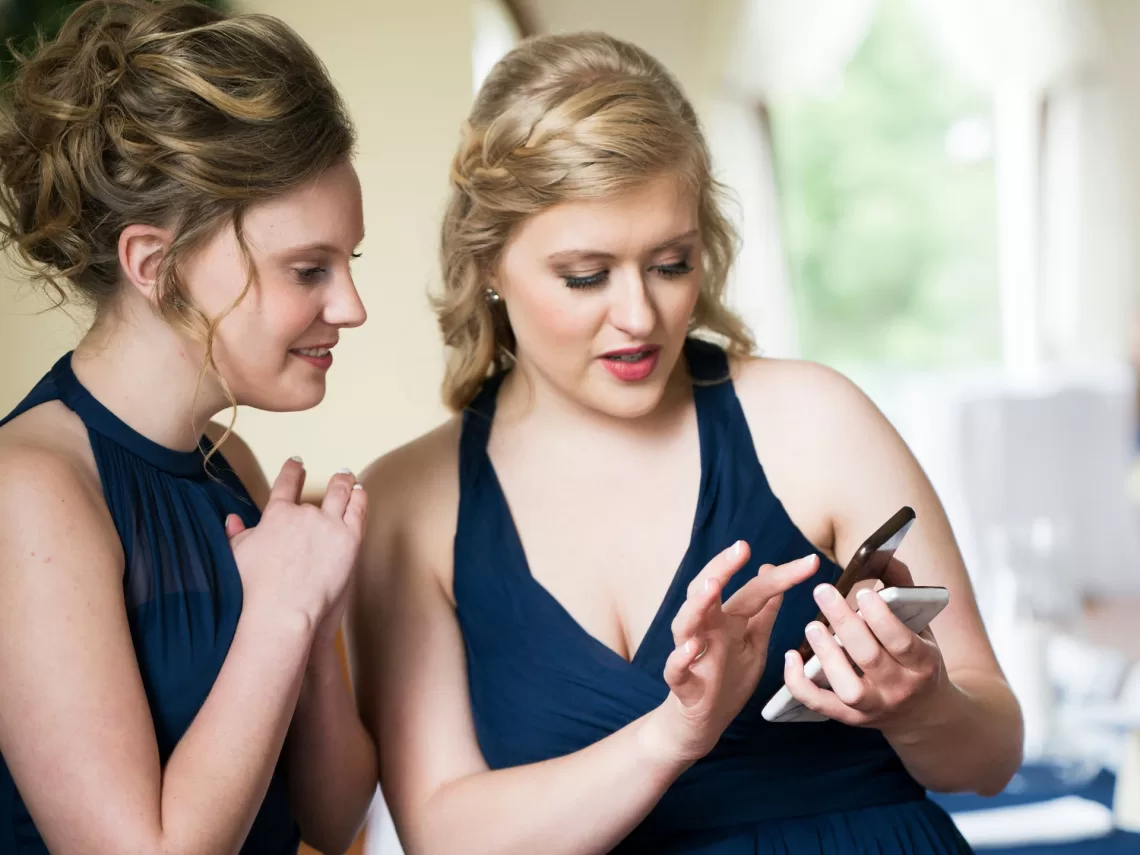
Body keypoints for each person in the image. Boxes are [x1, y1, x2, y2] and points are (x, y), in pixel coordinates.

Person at [349, 31, 1024, 855]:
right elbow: (447, 834)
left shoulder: (816, 418)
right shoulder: (411, 504)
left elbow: (992, 753)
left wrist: (923, 704)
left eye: (671, 263)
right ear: (487, 260)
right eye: (586, 275)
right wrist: (674, 732)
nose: (639, 316)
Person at [0, 2, 376, 853]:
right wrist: (278, 613)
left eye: (351, 262)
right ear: (154, 264)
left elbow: (331, 814)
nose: (351, 307)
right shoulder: (32, 490)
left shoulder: (227, 459)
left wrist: (314, 626)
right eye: (308, 269)